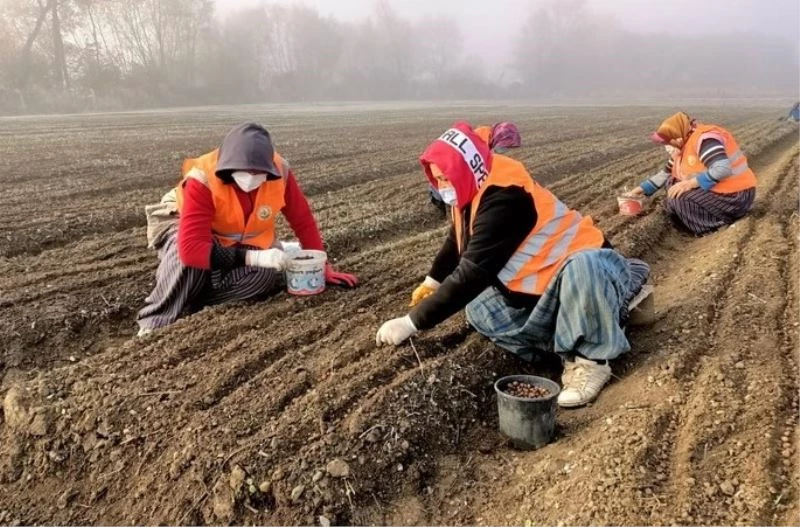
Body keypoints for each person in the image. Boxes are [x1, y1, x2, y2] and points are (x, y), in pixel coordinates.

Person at [377, 122, 650, 408]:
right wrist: (433, 280)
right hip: (538, 290)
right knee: (478, 308)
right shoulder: (473, 184)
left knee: (584, 266)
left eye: (445, 179)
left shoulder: (505, 197)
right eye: (437, 180)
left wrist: (411, 322)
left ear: (463, 171)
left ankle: (593, 358)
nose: (442, 188)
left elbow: (474, 272)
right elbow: (457, 239)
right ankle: (567, 344)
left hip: (584, 274)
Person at [137, 123, 358, 335]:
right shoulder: (202, 178)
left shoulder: (280, 171)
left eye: (259, 173)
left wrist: (322, 267)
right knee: (186, 258)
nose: (252, 178)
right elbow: (191, 249)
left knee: (264, 277)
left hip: (235, 240)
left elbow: (302, 220)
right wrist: (255, 257)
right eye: (244, 172)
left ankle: (192, 295)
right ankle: (155, 318)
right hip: (190, 231)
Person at [626, 112, 757, 236]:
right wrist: (634, 193)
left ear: (677, 136)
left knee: (680, 197)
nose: (667, 146)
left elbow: (722, 169)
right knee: (672, 184)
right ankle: (693, 221)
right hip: (722, 191)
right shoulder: (682, 147)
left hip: (736, 195)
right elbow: (663, 175)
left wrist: (690, 184)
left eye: (668, 142)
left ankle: (713, 227)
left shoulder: (705, 140)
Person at [429, 121, 521, 213]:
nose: (504, 150)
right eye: (504, 147)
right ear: (500, 138)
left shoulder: (487, 137)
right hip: (445, 173)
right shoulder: (480, 141)